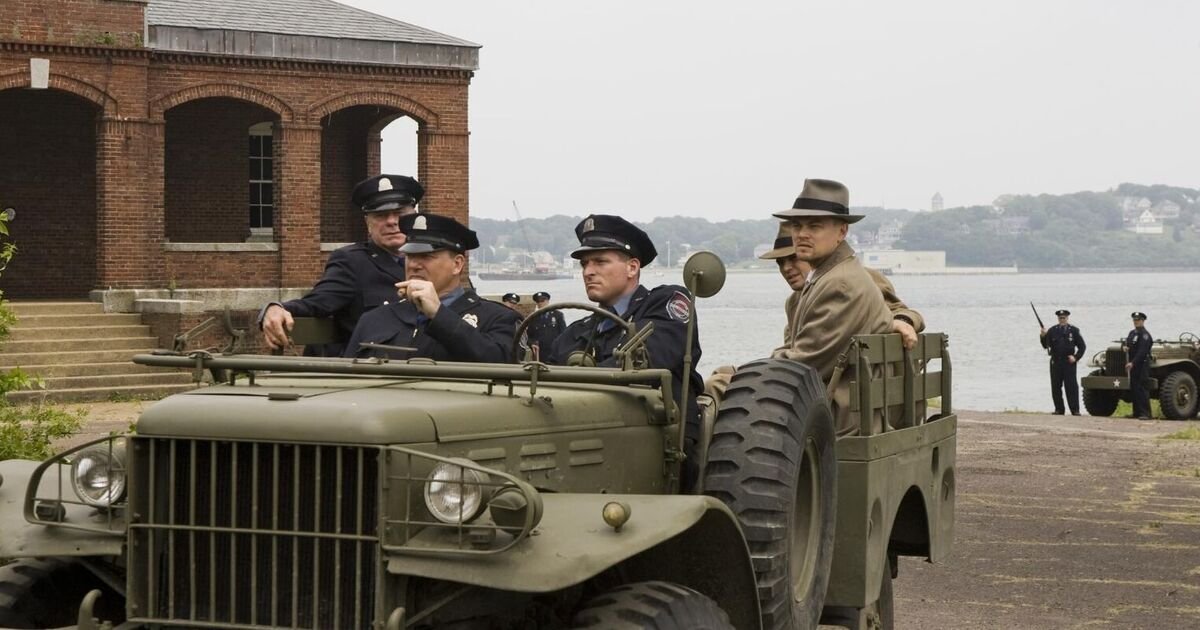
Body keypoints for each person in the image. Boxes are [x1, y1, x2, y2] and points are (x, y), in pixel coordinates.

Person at [546, 214, 704, 480]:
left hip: (656, 446)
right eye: (584, 264)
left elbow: (648, 360)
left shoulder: (664, 304)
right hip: (579, 442)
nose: (588, 272)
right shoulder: (576, 332)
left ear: (632, 268)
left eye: (600, 262)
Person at [770, 179, 894, 436]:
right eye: (797, 225)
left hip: (839, 415)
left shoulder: (840, 284)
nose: (802, 234)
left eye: (814, 226)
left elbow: (803, 364)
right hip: (831, 404)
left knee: (724, 394)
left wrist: (747, 374)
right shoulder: (826, 276)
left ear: (842, 232)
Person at [259, 174, 421, 356]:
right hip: (372, 367)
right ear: (368, 223)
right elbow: (317, 303)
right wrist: (276, 308)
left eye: (399, 213)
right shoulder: (352, 262)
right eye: (381, 215)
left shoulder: (433, 261)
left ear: (414, 217)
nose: (391, 221)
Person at [344, 213, 521, 362]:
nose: (414, 265)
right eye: (410, 256)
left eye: (426, 256)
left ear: (457, 264)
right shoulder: (375, 318)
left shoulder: (498, 319)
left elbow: (503, 364)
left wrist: (439, 315)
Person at [1039, 309, 1086, 415]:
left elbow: (1082, 347)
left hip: (1069, 362)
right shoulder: (1052, 330)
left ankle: (1075, 410)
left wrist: (1076, 357)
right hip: (1056, 362)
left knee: (1071, 387)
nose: (1062, 320)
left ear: (1067, 318)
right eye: (1060, 318)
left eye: (1064, 318)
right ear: (1058, 319)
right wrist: (1043, 336)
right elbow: (1045, 345)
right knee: (1056, 386)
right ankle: (1059, 409)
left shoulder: (1074, 330)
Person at [1125, 311, 1153, 420]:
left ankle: (1146, 413)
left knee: (1142, 388)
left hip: (1141, 364)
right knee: (1134, 388)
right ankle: (1136, 412)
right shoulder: (1132, 333)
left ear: (1143, 321)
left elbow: (1142, 351)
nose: (1136, 322)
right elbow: (1127, 343)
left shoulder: (1145, 335)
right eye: (1134, 320)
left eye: (1138, 320)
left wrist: (1133, 362)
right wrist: (1125, 347)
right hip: (1133, 365)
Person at [527, 291, 567, 359]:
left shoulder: (558, 315)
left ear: (547, 301)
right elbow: (529, 336)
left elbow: (564, 333)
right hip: (540, 354)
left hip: (554, 353)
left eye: (542, 301)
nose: (540, 303)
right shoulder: (533, 318)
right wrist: (531, 343)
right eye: (538, 301)